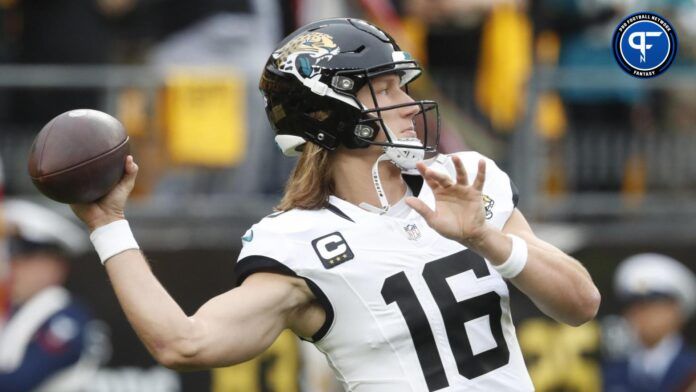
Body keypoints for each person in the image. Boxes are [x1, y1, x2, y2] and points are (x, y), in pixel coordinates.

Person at [68, 18, 600, 391]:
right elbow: (183, 343)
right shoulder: (296, 241)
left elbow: (581, 304)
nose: (410, 104)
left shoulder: (464, 178)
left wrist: (488, 237)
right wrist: (108, 224)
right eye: (385, 91)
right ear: (328, 113)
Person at [0, 199, 103, 392]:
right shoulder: (15, 310)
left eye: (23, 260)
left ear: (54, 266)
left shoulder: (65, 317)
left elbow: (19, 382)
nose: (11, 268)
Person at [603, 253, 696, 392]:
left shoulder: (691, 368)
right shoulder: (610, 371)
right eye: (633, 306)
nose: (640, 314)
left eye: (650, 305)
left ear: (676, 311)